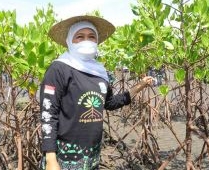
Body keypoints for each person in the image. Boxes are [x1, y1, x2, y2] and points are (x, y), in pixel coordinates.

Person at [40, 15, 154, 170]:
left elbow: (109, 103)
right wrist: (51, 159)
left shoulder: (100, 72)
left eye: (91, 36)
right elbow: (48, 114)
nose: (86, 40)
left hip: (93, 154)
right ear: (69, 41)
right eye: (79, 37)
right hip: (64, 157)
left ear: (97, 41)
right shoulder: (59, 68)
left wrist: (139, 87)